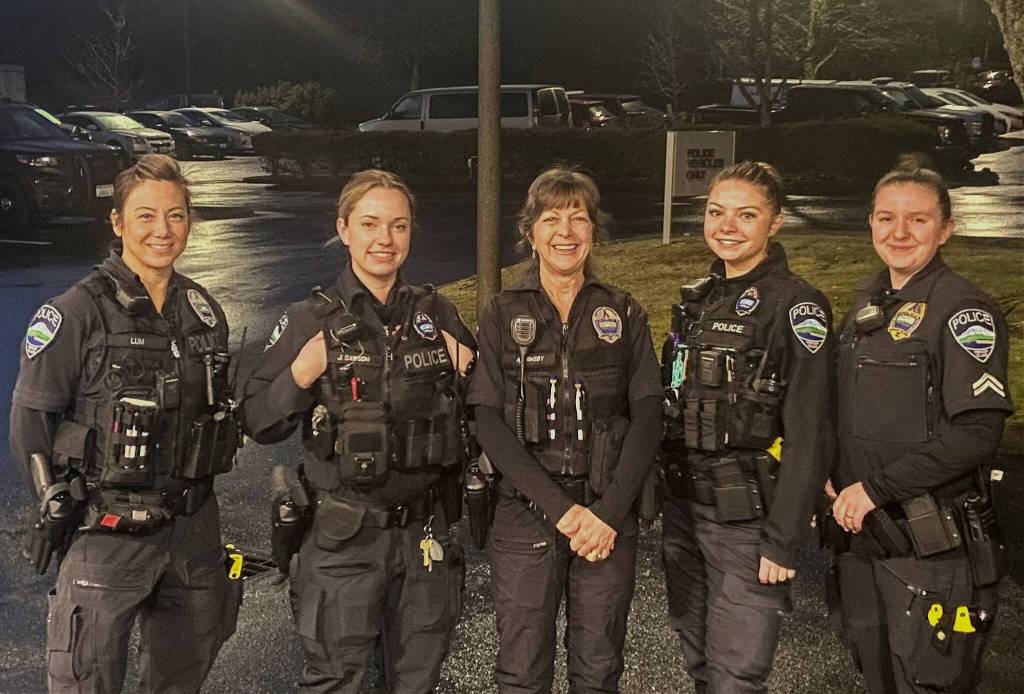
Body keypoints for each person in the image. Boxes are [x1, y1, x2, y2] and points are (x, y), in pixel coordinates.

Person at [9, 153, 242, 693]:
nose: (163, 230)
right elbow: (30, 422)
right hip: (107, 529)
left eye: (177, 215)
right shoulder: (75, 312)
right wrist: (51, 504)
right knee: (85, 680)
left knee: (180, 680)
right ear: (117, 222)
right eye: (146, 215)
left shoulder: (203, 310)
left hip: (193, 531)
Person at [242, 169, 475, 693]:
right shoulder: (309, 318)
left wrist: (470, 369)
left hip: (424, 536)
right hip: (342, 538)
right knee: (336, 682)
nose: (384, 240)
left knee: (416, 682)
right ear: (344, 229)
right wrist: (302, 371)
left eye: (398, 226)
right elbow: (256, 418)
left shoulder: (436, 314)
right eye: (370, 224)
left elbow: (486, 410)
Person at [467, 166, 663, 693]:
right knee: (522, 671)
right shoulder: (501, 313)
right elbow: (487, 419)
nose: (566, 231)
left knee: (598, 669)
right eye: (552, 218)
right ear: (530, 232)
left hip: (606, 511)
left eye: (578, 217)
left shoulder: (623, 312)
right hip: (526, 512)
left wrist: (605, 515)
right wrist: (563, 512)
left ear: (594, 230)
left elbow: (648, 415)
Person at [828, 164, 1013, 693]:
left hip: (932, 550)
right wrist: (832, 472)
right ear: (870, 223)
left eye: (918, 220)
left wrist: (875, 489)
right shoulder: (869, 302)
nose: (899, 233)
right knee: (878, 675)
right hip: (866, 542)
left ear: (946, 229)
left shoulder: (962, 310)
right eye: (886, 218)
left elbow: (977, 433)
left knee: (928, 681)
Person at [659, 161, 833, 693]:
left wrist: (782, 540)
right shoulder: (700, 299)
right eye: (716, 212)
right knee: (700, 661)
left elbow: (813, 430)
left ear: (775, 222)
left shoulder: (797, 305)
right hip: (684, 512)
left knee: (737, 674)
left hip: (746, 521)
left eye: (747, 215)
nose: (727, 226)